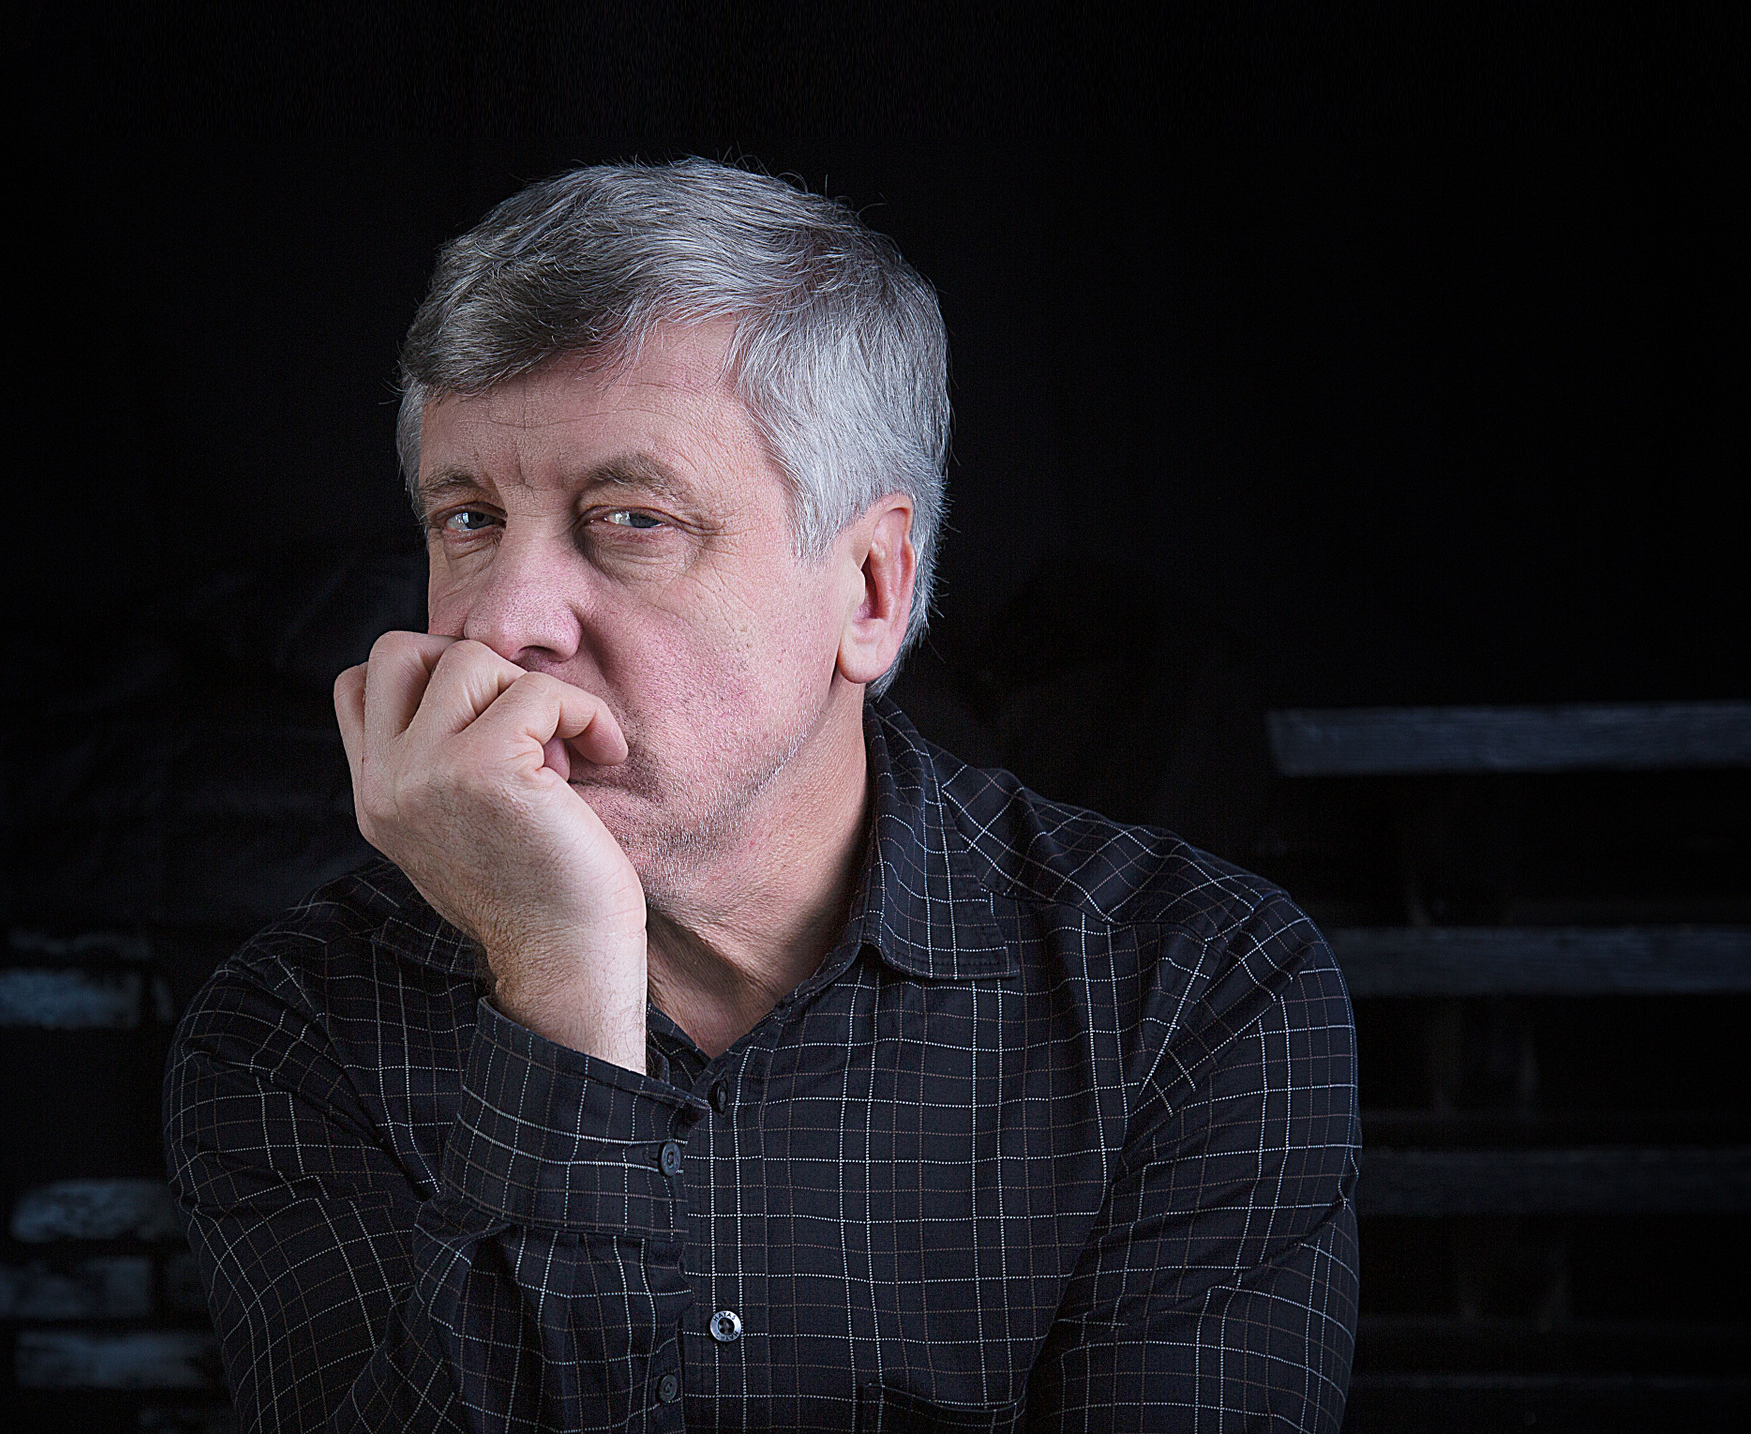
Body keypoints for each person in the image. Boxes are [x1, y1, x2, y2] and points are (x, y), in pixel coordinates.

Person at [164, 157, 1360, 1432]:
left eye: (631, 518)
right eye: (468, 519)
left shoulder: (1192, 990)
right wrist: (558, 981)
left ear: (871, 591)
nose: (504, 621)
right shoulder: (292, 1026)